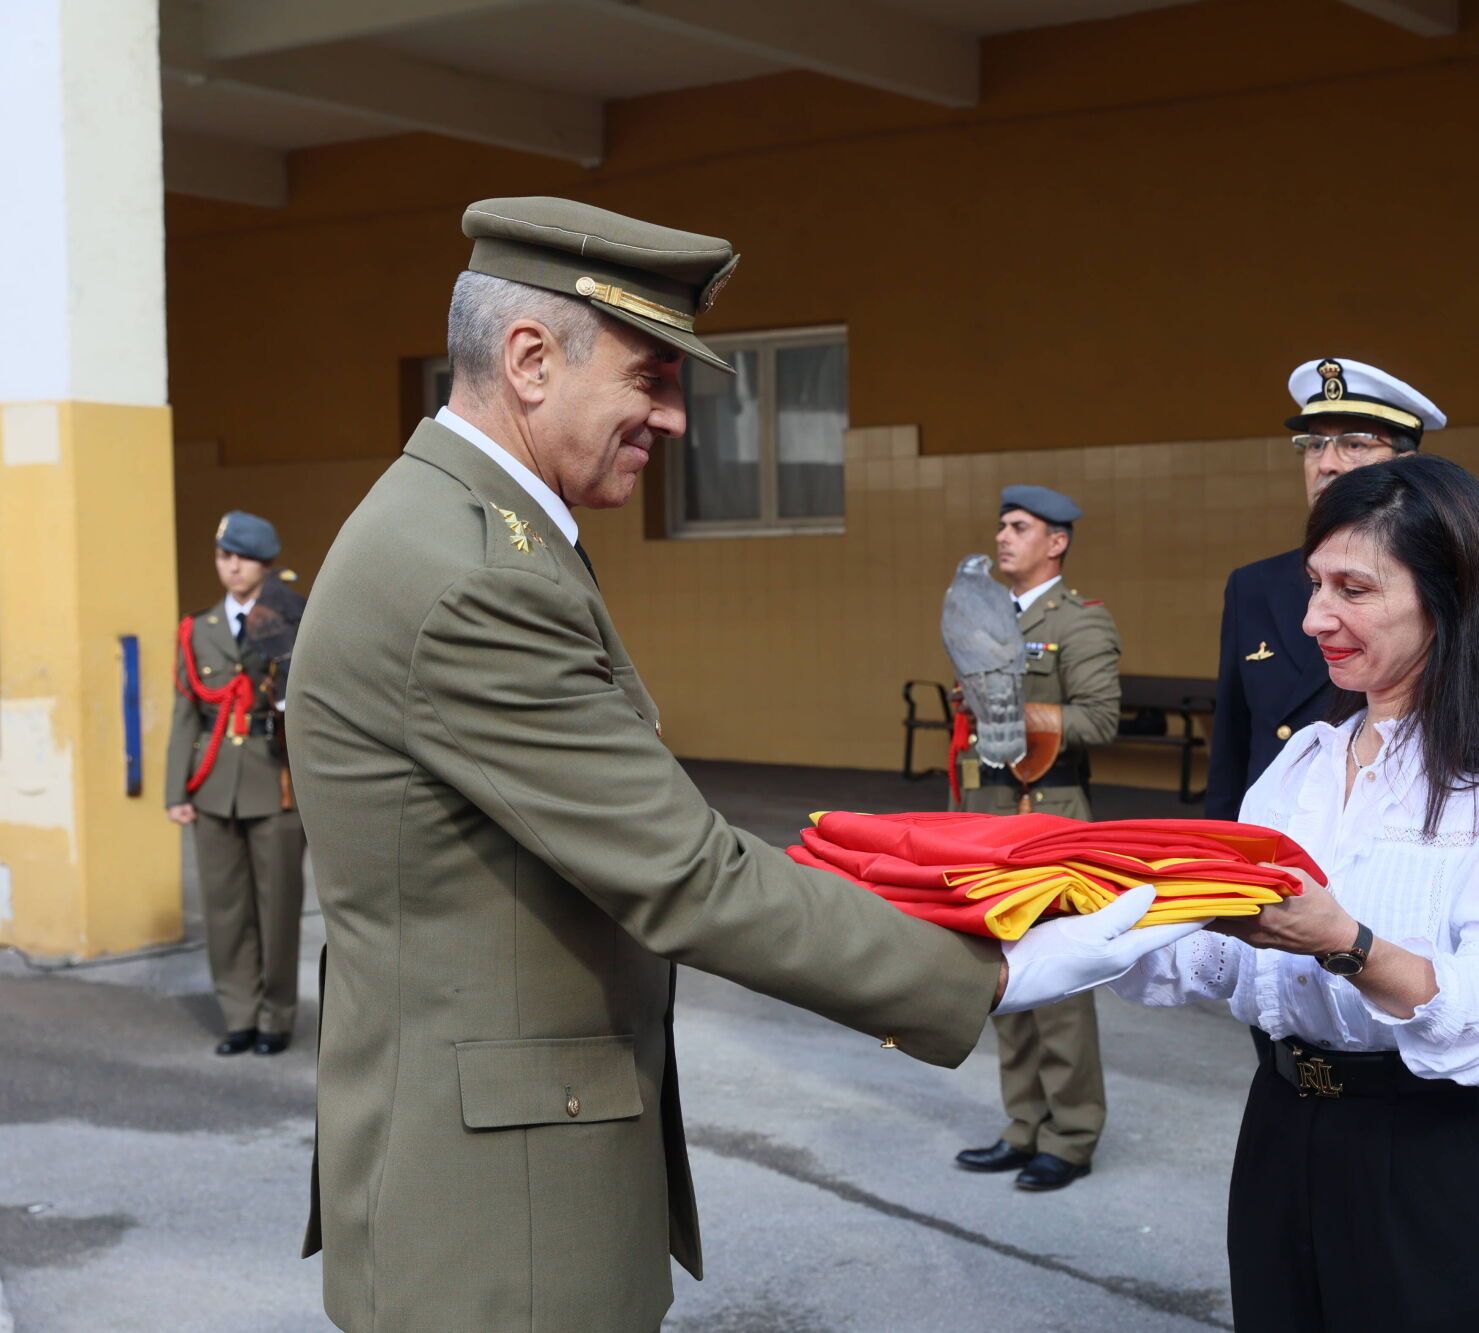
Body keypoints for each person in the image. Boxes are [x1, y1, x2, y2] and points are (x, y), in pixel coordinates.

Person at [285, 197, 1196, 1333]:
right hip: (499, 1218)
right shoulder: (476, 572)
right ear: (528, 360)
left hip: (482, 1163)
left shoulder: (456, 525)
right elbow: (688, 873)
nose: (671, 419)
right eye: (648, 377)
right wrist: (987, 978)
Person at [1114, 453, 1479, 1330]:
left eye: (1353, 588)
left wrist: (1350, 942)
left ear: (1447, 594)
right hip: (1279, 1130)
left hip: (1426, 1151)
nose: (1314, 619)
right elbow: (1216, 953)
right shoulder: (1301, 766)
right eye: (1313, 585)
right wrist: (1058, 911)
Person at [953, 484, 1122, 1192]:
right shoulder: (982, 612)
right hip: (988, 815)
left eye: (1019, 527)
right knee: (1003, 979)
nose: (1002, 537)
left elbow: (1102, 719)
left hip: (1048, 817)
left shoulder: (1079, 622)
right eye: (1000, 526)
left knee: (1057, 986)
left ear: (1056, 542)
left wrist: (1017, 711)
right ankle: (1022, 1125)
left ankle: (1072, 1134)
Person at [1205, 357, 1445, 820]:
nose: (1327, 464)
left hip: (1392, 825)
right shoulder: (1253, 585)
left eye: (1354, 444)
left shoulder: (1435, 579)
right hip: (1272, 840)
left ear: (1406, 464)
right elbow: (1232, 746)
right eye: (1314, 445)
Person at [164, 510, 308, 1057]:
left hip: (275, 781)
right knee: (224, 909)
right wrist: (177, 791)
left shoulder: (289, 619)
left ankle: (276, 1018)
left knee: (278, 908)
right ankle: (238, 1016)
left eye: (242, 558)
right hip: (214, 781)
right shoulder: (198, 629)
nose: (231, 566)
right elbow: (186, 714)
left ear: (264, 565)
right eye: (224, 556)